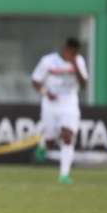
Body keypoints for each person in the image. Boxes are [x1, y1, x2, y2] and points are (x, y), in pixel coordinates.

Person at [31, 38, 88, 185]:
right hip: (51, 103)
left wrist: (75, 66)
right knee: (51, 141)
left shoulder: (79, 61)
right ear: (65, 49)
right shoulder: (48, 61)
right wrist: (45, 92)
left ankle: (64, 175)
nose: (73, 54)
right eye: (71, 52)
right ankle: (44, 144)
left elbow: (84, 85)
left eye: (75, 53)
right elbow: (35, 81)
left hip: (69, 103)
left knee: (68, 136)